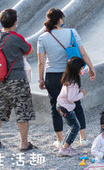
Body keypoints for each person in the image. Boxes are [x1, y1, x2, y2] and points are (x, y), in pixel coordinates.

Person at [36, 8, 96, 146]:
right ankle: (83, 138)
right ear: (60, 19)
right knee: (76, 104)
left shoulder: (42, 37)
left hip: (52, 75)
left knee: (55, 106)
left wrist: (40, 79)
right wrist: (91, 67)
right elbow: (83, 53)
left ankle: (59, 139)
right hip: (70, 74)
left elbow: (41, 62)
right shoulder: (71, 32)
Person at [0, 9, 35, 150]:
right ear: (15, 22)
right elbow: (29, 50)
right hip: (17, 80)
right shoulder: (16, 38)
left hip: (0, 79)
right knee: (22, 111)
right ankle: (23, 143)